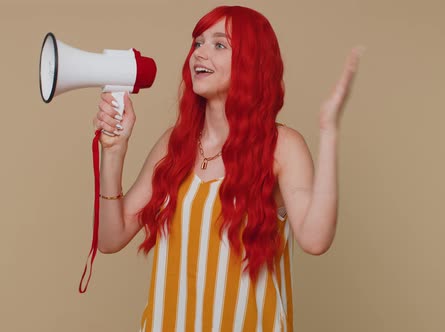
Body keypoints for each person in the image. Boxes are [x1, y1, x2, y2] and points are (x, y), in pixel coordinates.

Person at [91, 5, 361, 332]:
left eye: (219, 45)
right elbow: (109, 238)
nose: (199, 54)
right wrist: (114, 152)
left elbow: (315, 240)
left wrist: (329, 131)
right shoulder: (173, 145)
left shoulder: (282, 147)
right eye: (197, 43)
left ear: (251, 62)